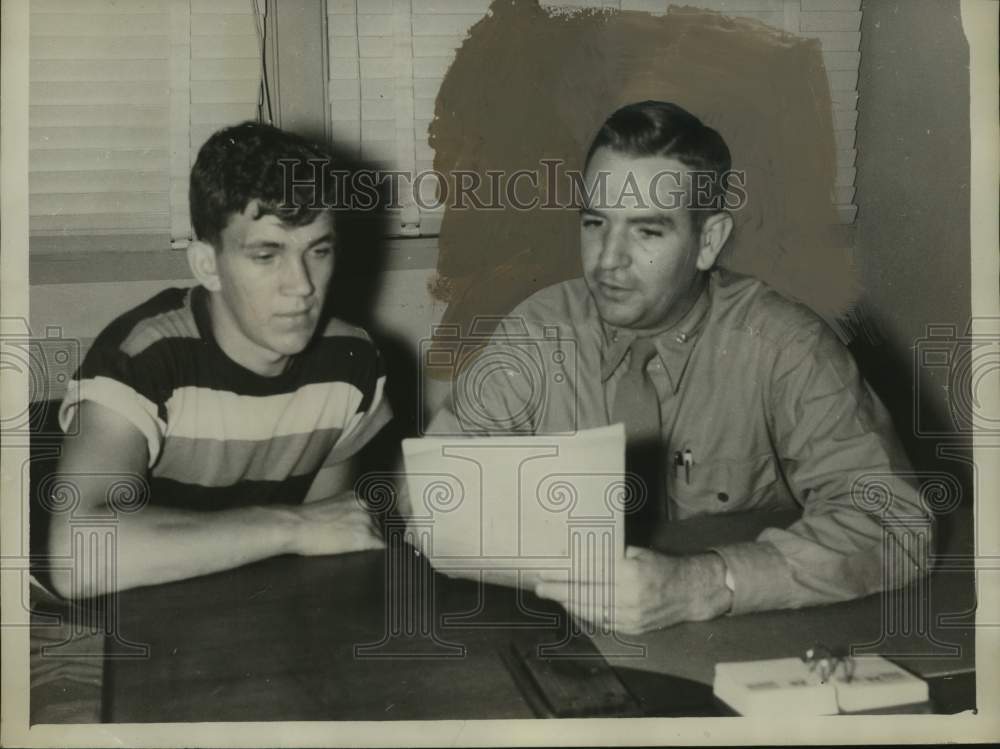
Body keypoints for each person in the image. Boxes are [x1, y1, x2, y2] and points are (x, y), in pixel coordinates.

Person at [420, 101, 932, 633]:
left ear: (708, 241)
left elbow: (895, 523)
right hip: (570, 633)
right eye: (596, 223)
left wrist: (704, 584)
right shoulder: (536, 331)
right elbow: (435, 495)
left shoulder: (784, 345)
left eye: (646, 232)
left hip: (738, 632)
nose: (608, 259)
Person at [48, 122, 391, 598]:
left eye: (319, 251)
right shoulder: (142, 358)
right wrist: (291, 526)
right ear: (207, 265)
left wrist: (302, 531)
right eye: (266, 255)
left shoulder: (350, 361)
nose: (302, 286)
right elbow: (78, 559)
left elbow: (327, 545)